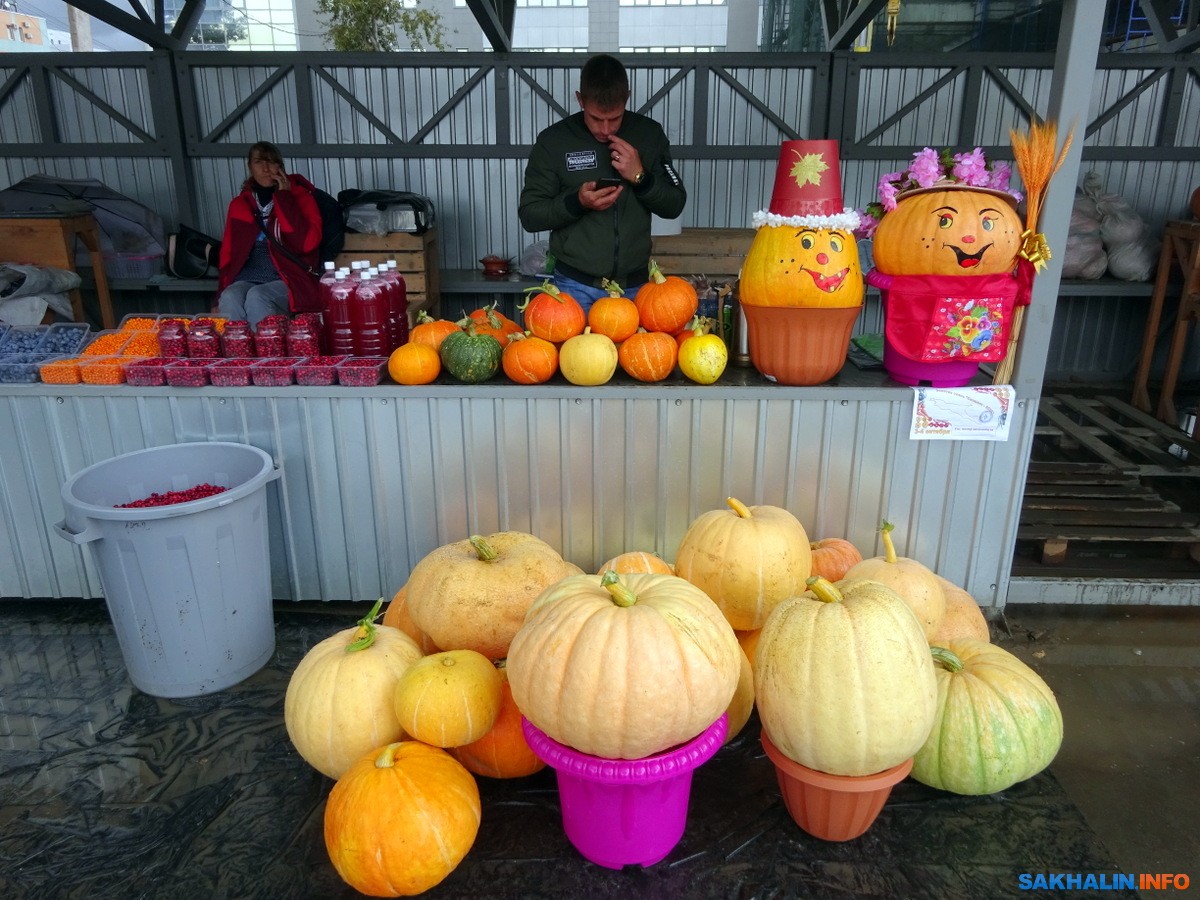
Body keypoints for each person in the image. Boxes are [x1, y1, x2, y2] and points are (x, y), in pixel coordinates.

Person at [518, 54, 687, 311]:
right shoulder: (554, 141)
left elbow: (674, 204)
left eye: (615, 118)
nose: (606, 129)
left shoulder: (648, 135)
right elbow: (530, 215)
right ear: (580, 99)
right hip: (574, 286)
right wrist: (577, 202)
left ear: (627, 98)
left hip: (635, 287)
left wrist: (640, 177)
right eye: (596, 118)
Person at [216, 141, 324, 328]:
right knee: (230, 296)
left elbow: (305, 244)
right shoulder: (240, 204)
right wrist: (219, 291)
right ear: (250, 167)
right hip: (249, 273)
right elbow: (228, 254)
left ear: (280, 167)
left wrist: (284, 198)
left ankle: (268, 353)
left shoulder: (302, 198)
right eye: (259, 162)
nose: (265, 168)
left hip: (288, 275)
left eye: (271, 162)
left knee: (258, 296)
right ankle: (239, 353)